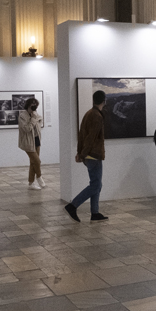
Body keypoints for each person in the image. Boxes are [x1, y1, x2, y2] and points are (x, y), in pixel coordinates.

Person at [65, 91, 108, 222]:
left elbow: (81, 135)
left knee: (96, 184)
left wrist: (80, 153)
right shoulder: (96, 116)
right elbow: (90, 138)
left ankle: (95, 213)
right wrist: (82, 154)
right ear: (104, 101)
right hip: (93, 155)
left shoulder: (89, 113)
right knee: (95, 185)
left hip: (89, 155)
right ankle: (73, 206)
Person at [18, 97, 45, 190]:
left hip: (37, 140)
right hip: (28, 142)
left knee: (33, 162)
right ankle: (39, 177)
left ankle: (31, 183)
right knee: (37, 161)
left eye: (35, 106)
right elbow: (26, 129)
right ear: (28, 105)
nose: (34, 108)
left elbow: (41, 120)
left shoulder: (35, 114)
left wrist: (35, 118)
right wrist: (33, 120)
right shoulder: (22, 116)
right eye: (32, 106)